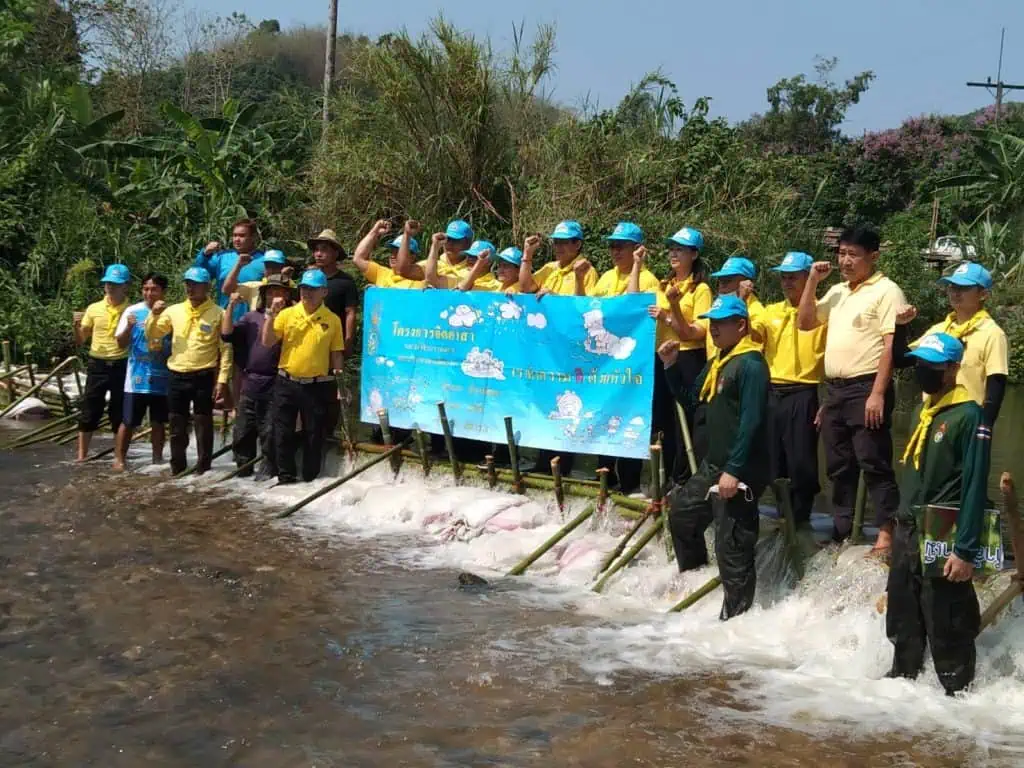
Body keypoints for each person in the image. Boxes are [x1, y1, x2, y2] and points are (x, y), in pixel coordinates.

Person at [886, 332, 989, 696]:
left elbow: (975, 486)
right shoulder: (922, 410)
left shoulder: (969, 415)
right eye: (920, 363)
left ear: (953, 368)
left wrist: (965, 550)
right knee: (902, 618)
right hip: (908, 528)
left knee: (948, 623)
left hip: (944, 531)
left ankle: (956, 697)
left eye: (932, 365)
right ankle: (900, 688)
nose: (923, 371)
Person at [798, 225, 907, 552]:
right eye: (841, 253)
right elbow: (804, 322)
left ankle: (887, 531)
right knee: (838, 464)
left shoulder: (887, 291)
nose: (845, 261)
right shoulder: (838, 291)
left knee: (873, 460)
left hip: (866, 386)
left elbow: (890, 347)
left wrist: (877, 393)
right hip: (836, 390)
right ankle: (842, 529)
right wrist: (813, 282)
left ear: (872, 256)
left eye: (853, 255)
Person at [660, 295, 770, 620]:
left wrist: (735, 470)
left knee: (731, 546)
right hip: (714, 464)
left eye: (720, 323)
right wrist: (670, 368)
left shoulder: (750, 364)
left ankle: (735, 622)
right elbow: (693, 402)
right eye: (711, 323)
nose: (713, 329)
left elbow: (752, 421)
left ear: (740, 325)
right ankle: (694, 579)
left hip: (742, 469)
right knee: (681, 513)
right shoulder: (719, 362)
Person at [589, 221, 659, 494]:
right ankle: (604, 476)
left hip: (633, 366)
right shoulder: (605, 277)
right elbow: (591, 310)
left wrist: (638, 266)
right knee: (602, 413)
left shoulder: (649, 278)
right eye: (612, 245)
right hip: (605, 363)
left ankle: (630, 483)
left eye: (621, 245)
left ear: (636, 248)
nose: (615, 251)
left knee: (630, 418)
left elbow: (632, 304)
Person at [145, 267, 233, 475]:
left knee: (204, 424)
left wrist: (222, 380)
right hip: (176, 374)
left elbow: (226, 349)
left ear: (207, 287)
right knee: (177, 425)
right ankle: (178, 468)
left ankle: (203, 469)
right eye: (187, 283)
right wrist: (154, 315)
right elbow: (154, 334)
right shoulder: (173, 311)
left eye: (195, 284)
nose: (190, 288)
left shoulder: (218, 313)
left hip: (203, 374)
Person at [762, 252, 827, 527]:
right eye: (784, 276)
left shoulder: (822, 312)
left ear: (807, 278)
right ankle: (781, 511)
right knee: (774, 459)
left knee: (801, 460)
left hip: (805, 390)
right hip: (774, 390)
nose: (787, 281)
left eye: (794, 276)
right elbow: (751, 335)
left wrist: (827, 401)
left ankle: (801, 516)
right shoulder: (770, 312)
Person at [899, 262, 1008, 426]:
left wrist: (984, 428)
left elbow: (996, 384)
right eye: (952, 287)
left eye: (964, 288)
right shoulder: (939, 329)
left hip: (965, 422)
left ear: (983, 294)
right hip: (932, 417)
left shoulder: (992, 333)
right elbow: (902, 360)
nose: (956, 293)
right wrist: (899, 326)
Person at [262, 269, 345, 485]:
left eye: (312, 289)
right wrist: (270, 315)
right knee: (282, 431)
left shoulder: (333, 320)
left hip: (316, 385)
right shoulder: (287, 314)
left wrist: (341, 385)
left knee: (314, 433)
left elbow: (336, 353)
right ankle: (285, 477)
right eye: (304, 288)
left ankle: (310, 479)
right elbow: (268, 342)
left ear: (324, 292)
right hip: (286, 380)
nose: (306, 293)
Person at [646, 227, 713, 482]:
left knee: (682, 420)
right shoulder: (663, 285)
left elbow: (696, 332)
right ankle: (661, 477)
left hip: (687, 359)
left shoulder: (701, 289)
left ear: (694, 254)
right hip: (660, 357)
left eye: (680, 250)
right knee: (660, 420)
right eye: (672, 249)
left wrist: (666, 316)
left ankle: (683, 479)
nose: (674, 254)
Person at [221, 274, 294, 479]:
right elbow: (226, 335)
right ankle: (242, 474)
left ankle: (267, 476)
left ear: (287, 295)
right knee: (242, 432)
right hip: (251, 381)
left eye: (279, 292)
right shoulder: (251, 317)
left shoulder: (292, 317)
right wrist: (231, 307)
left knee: (269, 432)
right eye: (270, 292)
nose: (275, 296)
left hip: (277, 381)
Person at [112, 272, 171, 471]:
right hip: (136, 376)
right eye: (146, 289)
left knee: (158, 421)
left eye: (154, 289)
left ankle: (157, 459)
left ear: (163, 291)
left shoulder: (170, 313)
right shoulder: (132, 312)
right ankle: (119, 460)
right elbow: (120, 343)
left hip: (162, 375)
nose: (149, 293)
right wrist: (128, 327)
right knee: (128, 421)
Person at [73, 264, 132, 462]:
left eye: (115, 284)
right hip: (97, 363)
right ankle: (81, 456)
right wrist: (76, 327)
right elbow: (81, 340)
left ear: (126, 286)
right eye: (107, 283)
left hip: (121, 364)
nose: (110, 287)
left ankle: (118, 457)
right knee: (90, 409)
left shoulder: (132, 310)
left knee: (118, 411)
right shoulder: (94, 309)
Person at [193, 219, 266, 322]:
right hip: (224, 316)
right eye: (234, 235)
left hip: (253, 321)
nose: (237, 239)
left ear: (253, 237)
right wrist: (205, 254)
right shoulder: (222, 257)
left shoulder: (264, 260)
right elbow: (197, 275)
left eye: (242, 235)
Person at [518, 220, 598, 296]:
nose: (558, 247)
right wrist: (527, 254)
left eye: (563, 242)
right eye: (556, 242)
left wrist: (555, 299)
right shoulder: (549, 268)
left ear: (577, 245)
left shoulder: (587, 272)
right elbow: (525, 288)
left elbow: (585, 307)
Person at [352, 219, 427, 289]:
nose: (392, 256)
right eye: (392, 251)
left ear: (412, 257)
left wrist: (407, 234)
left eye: (398, 253)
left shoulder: (421, 274)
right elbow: (358, 258)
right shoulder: (382, 273)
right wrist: (375, 231)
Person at [222, 249, 292, 312]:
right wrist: (238, 265)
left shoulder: (290, 286)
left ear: (283, 267)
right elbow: (227, 290)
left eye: (276, 266)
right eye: (268, 266)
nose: (271, 270)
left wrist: (284, 279)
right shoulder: (255, 286)